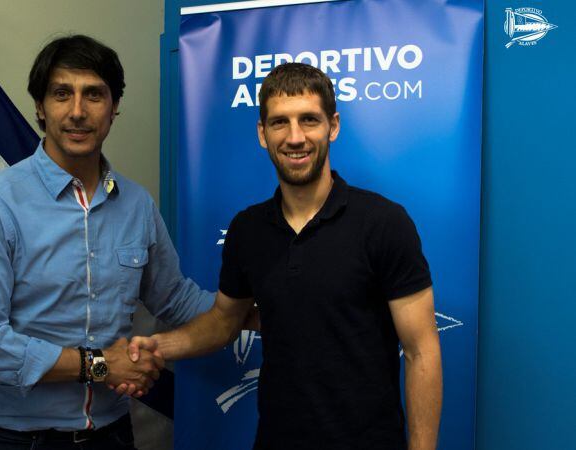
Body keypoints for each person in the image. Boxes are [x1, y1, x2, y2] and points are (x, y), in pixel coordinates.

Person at [127, 63, 443, 449]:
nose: (295, 137)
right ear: (263, 134)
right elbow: (223, 323)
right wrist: (159, 347)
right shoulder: (247, 230)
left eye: (309, 120)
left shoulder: (383, 223)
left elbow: (421, 350)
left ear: (333, 125)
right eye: (280, 122)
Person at [0, 34, 214, 449]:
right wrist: (99, 366)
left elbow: (175, 298)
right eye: (62, 94)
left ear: (114, 109)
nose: (78, 112)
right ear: (40, 107)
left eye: (94, 94)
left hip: (110, 434)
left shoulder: (137, 205)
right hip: (15, 439)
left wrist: (252, 308)